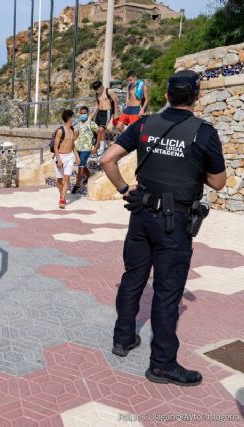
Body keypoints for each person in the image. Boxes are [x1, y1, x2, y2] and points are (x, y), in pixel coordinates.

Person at [100, 70, 226, 386]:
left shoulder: (144, 124)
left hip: (141, 215)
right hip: (175, 222)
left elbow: (107, 159)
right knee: (167, 292)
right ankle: (162, 364)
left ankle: (123, 339)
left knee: (133, 278)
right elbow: (219, 182)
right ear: (197, 97)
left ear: (167, 95)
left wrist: (124, 189)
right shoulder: (204, 133)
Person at [53, 110, 80, 209]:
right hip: (60, 156)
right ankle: (62, 195)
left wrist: (76, 155)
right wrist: (59, 160)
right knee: (59, 180)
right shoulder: (60, 130)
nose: (74, 119)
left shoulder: (72, 129)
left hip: (69, 157)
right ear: (69, 118)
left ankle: (62, 199)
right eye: (73, 117)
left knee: (67, 178)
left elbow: (72, 144)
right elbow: (55, 147)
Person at [90, 80, 120, 153]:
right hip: (99, 112)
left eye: (97, 89)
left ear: (101, 86)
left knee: (101, 129)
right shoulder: (97, 94)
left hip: (107, 112)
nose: (97, 91)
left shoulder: (109, 91)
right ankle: (104, 142)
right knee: (96, 129)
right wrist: (92, 114)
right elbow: (97, 104)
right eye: (95, 90)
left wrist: (116, 113)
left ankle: (102, 147)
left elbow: (116, 101)